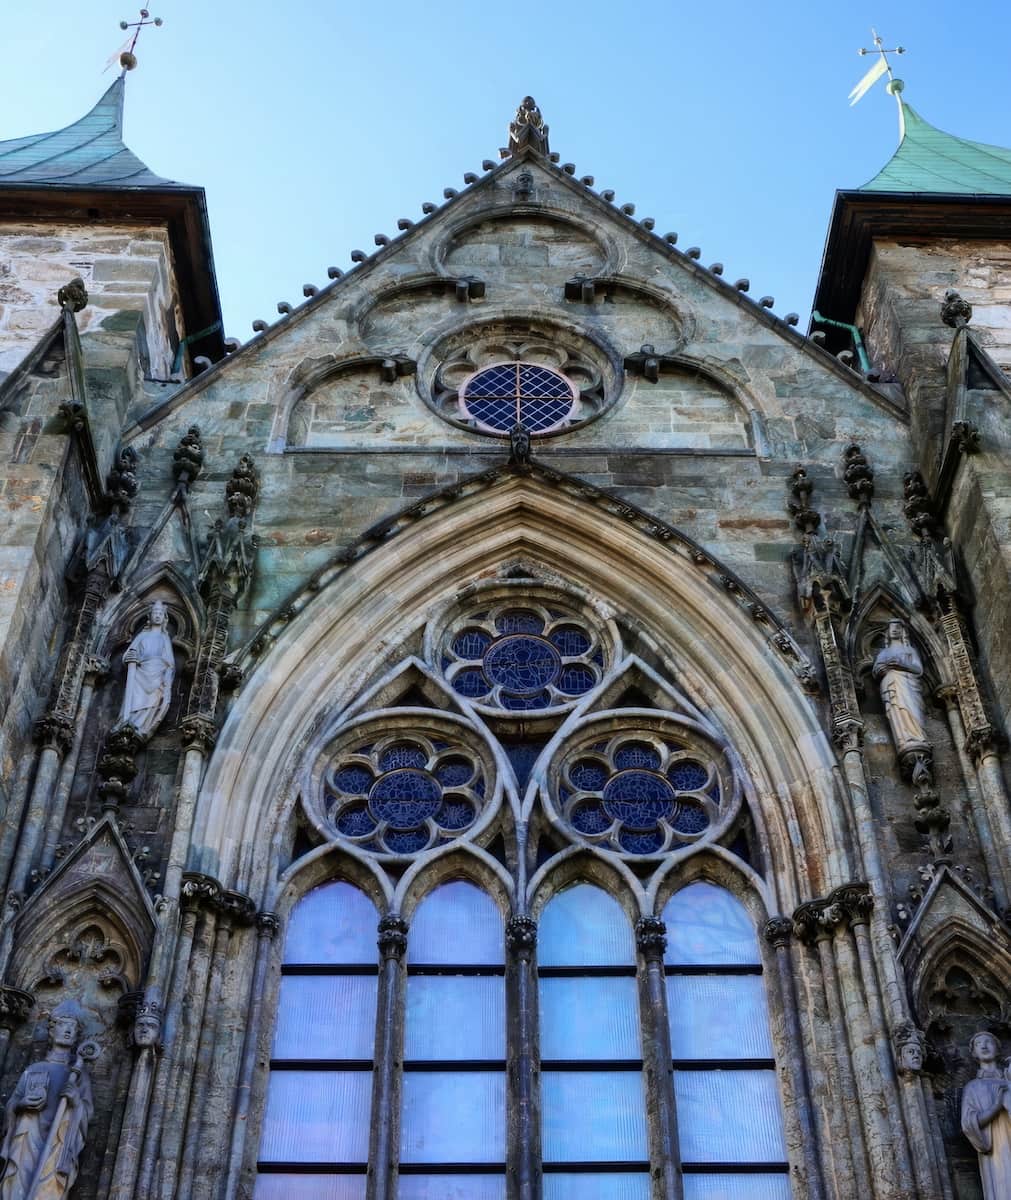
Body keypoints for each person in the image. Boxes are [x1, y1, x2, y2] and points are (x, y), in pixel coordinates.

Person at [0, 1013, 94, 1200]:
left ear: (77, 1036)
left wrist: (76, 1101)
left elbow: (87, 1113)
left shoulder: (78, 1075)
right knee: (17, 1184)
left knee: (47, 1189)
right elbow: (12, 1103)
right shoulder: (34, 1070)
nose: (67, 1030)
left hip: (57, 1141)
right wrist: (21, 1105)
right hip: (26, 1138)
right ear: (51, 1031)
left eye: (72, 1028)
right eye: (62, 1025)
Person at [961, 1030, 1011, 1200]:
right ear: (974, 1053)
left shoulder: (1009, 1082)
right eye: (978, 1043)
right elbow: (969, 1124)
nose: (984, 1046)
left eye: (988, 1042)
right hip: (999, 1150)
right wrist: (996, 1107)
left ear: (998, 1049)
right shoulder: (973, 1087)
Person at [118, 601, 174, 739]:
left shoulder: (164, 638)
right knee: (134, 700)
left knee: (154, 700)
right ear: (150, 616)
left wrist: (166, 675)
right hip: (139, 673)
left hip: (157, 675)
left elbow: (170, 662)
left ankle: (142, 726)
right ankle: (129, 721)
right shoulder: (142, 636)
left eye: (160, 613)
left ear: (164, 618)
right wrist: (130, 657)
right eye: (155, 613)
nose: (157, 616)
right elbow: (128, 654)